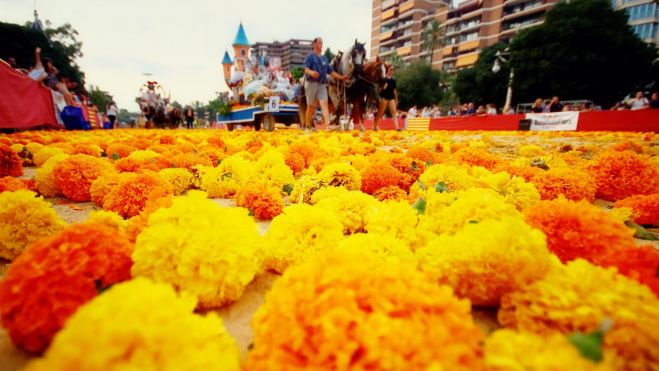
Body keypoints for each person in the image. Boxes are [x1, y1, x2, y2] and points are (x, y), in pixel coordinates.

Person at [303, 37, 348, 132]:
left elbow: (331, 72)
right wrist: (311, 73)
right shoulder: (310, 57)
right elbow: (306, 69)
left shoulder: (325, 58)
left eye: (322, 43)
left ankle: (328, 125)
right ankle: (307, 126)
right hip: (311, 83)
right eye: (319, 42)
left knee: (324, 104)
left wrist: (341, 77)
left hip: (322, 84)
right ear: (314, 44)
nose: (321, 44)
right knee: (310, 106)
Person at [373, 65, 400, 131]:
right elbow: (378, 90)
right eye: (390, 69)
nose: (392, 71)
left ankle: (397, 128)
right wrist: (383, 88)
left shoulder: (393, 80)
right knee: (380, 113)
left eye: (393, 70)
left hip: (391, 98)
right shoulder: (383, 79)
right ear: (387, 70)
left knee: (394, 112)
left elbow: (394, 90)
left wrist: (396, 99)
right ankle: (375, 126)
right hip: (384, 98)